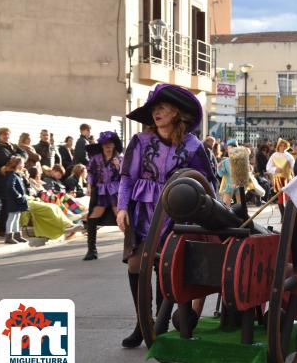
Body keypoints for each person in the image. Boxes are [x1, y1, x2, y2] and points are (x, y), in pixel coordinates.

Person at [118, 83, 216, 348]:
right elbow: (127, 178)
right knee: (136, 264)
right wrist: (122, 207)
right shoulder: (140, 141)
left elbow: (207, 183)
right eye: (154, 109)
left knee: (166, 268)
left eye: (162, 108)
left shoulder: (194, 146)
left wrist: (209, 217)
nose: (156, 113)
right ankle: (142, 322)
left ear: (175, 113)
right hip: (142, 212)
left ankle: (159, 326)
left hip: (177, 215)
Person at [83, 131, 123, 261]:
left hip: (115, 190)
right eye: (105, 143)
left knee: (121, 217)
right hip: (100, 190)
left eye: (110, 143)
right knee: (93, 217)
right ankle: (91, 250)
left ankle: (132, 246)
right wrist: (89, 186)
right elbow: (90, 173)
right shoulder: (96, 158)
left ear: (114, 145)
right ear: (101, 145)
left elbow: (126, 176)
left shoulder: (120, 158)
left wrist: (119, 167)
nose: (108, 146)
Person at [0, 128, 25, 237]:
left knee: (12, 208)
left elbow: (24, 154)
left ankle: (11, 232)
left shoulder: (13, 146)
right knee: (6, 206)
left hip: (11, 178)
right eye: (3, 135)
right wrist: (16, 159)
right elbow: (6, 160)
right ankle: (3, 230)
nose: (6, 136)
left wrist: (18, 159)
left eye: (7, 134)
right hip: (3, 182)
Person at [2, 156, 29, 244]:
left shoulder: (17, 174)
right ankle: (8, 237)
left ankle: (18, 236)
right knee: (11, 218)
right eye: (22, 163)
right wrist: (18, 196)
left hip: (16, 201)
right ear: (17, 164)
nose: (23, 165)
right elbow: (10, 187)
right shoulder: (12, 175)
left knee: (16, 218)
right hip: (13, 201)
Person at [266, 138, 294, 220]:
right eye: (281, 145)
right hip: (278, 180)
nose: (282, 147)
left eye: (284, 145)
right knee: (280, 198)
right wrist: (275, 169)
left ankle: (288, 216)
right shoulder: (274, 155)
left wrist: (294, 178)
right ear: (278, 146)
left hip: (287, 179)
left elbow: (293, 167)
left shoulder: (289, 156)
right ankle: (283, 216)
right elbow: (268, 167)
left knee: (288, 197)